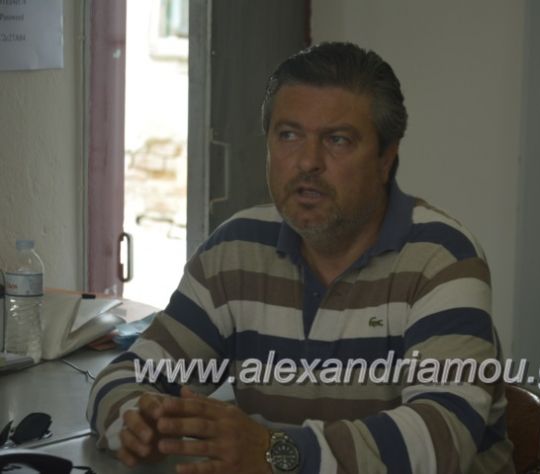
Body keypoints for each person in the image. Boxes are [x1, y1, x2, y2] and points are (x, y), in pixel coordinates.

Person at [87, 42, 514, 473]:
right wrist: (140, 423)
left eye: (338, 140)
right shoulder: (235, 250)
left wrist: (276, 452)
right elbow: (124, 376)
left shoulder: (442, 259)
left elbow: (442, 438)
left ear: (386, 158)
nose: (308, 162)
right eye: (289, 135)